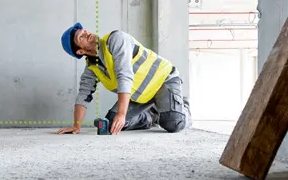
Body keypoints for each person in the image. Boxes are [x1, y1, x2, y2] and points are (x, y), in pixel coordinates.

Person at [56, 22, 191, 135]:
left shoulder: (116, 39)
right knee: (112, 124)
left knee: (173, 123)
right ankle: (152, 115)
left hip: (163, 80)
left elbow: (124, 75)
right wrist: (76, 125)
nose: (87, 33)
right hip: (141, 96)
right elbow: (83, 95)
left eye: (84, 31)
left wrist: (121, 114)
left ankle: (182, 107)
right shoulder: (92, 68)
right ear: (80, 51)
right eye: (81, 37)